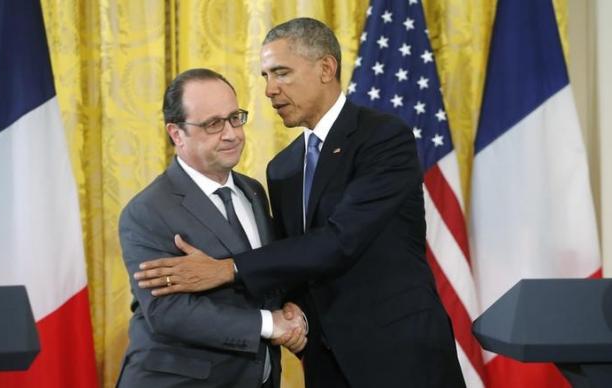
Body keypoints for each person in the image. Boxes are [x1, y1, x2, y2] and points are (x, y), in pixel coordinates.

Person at [135, 19, 465, 388]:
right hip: (324, 358)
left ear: (326, 68)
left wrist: (228, 269)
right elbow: (292, 257)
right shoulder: (283, 168)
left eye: (281, 73)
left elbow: (342, 239)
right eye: (264, 76)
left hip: (399, 355)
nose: (269, 90)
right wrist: (291, 313)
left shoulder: (383, 138)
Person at [117, 68, 307, 388]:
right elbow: (168, 312)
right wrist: (268, 323)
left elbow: (265, 274)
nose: (231, 133)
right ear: (176, 134)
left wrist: (292, 310)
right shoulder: (146, 212)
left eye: (235, 118)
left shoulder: (254, 191)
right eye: (213, 124)